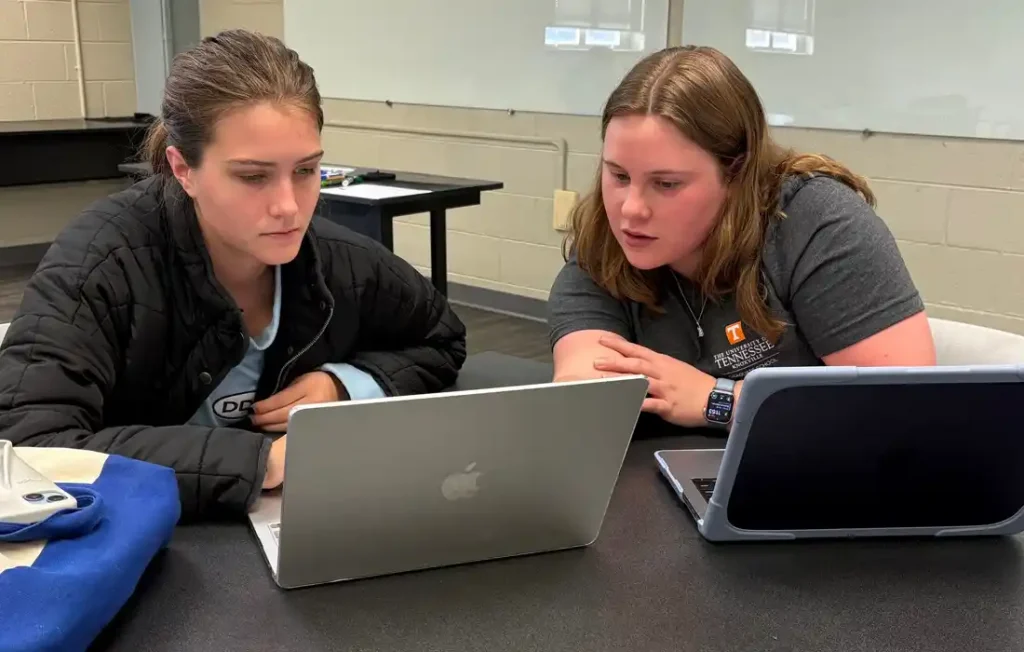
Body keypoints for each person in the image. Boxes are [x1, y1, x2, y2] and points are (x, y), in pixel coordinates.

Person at [0, 30, 467, 521]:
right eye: (253, 176)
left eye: (306, 171)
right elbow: (31, 445)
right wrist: (256, 461)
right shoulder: (101, 261)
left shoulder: (338, 260)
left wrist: (346, 383)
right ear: (184, 170)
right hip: (153, 541)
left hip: (287, 526)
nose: (289, 207)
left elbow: (442, 339)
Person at [547, 45, 936, 431]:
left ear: (736, 175)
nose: (630, 209)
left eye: (665, 184)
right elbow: (587, 395)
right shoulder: (605, 244)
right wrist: (583, 394)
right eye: (619, 176)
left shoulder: (817, 223)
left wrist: (718, 400)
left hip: (821, 475)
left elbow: (905, 412)